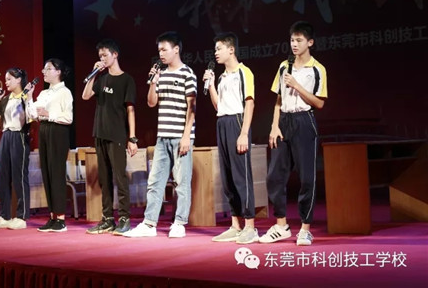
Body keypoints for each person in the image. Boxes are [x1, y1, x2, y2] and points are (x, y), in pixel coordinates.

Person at [259, 21, 328, 247]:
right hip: (284, 122)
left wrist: (297, 85)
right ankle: (281, 225)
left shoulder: (317, 69)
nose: (294, 44)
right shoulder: (283, 66)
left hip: (304, 121)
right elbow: (278, 99)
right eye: (292, 40)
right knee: (274, 176)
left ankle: (305, 229)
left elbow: (319, 103)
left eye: (299, 40)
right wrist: (274, 126)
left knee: (307, 178)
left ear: (310, 42)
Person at [124, 31, 196, 238]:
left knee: (182, 181)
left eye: (164, 50)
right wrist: (153, 82)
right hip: (162, 136)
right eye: (159, 51)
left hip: (180, 136)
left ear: (176, 49)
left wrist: (186, 136)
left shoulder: (187, 73)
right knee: (155, 181)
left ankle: (179, 223)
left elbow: (192, 108)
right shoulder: (161, 73)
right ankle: (149, 224)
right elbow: (151, 102)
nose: (161, 54)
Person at [204, 32, 258, 244]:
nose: (216, 53)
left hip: (237, 122)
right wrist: (210, 85)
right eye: (215, 49)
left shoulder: (244, 72)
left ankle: (250, 226)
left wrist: (244, 133)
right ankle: (236, 225)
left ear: (231, 49)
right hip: (222, 122)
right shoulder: (221, 77)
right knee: (227, 179)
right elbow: (218, 105)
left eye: (219, 49)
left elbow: (250, 103)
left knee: (241, 176)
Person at [82, 39, 138, 236]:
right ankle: (107, 219)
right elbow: (85, 96)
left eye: (105, 55)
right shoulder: (101, 79)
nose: (102, 59)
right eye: (100, 56)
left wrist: (132, 138)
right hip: (100, 134)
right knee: (104, 179)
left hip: (117, 135)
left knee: (120, 178)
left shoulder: (126, 80)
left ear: (115, 55)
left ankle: (124, 218)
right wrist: (94, 73)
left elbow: (130, 110)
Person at [26, 58, 73, 233]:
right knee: (46, 172)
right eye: (44, 69)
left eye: (48, 69)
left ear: (58, 72)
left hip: (58, 131)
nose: (44, 72)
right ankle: (52, 216)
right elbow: (32, 114)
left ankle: (61, 218)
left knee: (56, 173)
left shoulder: (65, 92)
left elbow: (68, 117)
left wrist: (49, 114)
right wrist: (29, 97)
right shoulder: (44, 93)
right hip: (44, 129)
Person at [0, 68, 33, 230]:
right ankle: (5, 215)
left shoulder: (25, 96)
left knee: (19, 177)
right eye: (5, 79)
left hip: (19, 135)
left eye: (9, 79)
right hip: (6, 135)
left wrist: (29, 98)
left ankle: (21, 216)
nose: (6, 82)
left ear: (19, 79)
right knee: (2, 177)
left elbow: (30, 117)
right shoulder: (6, 99)